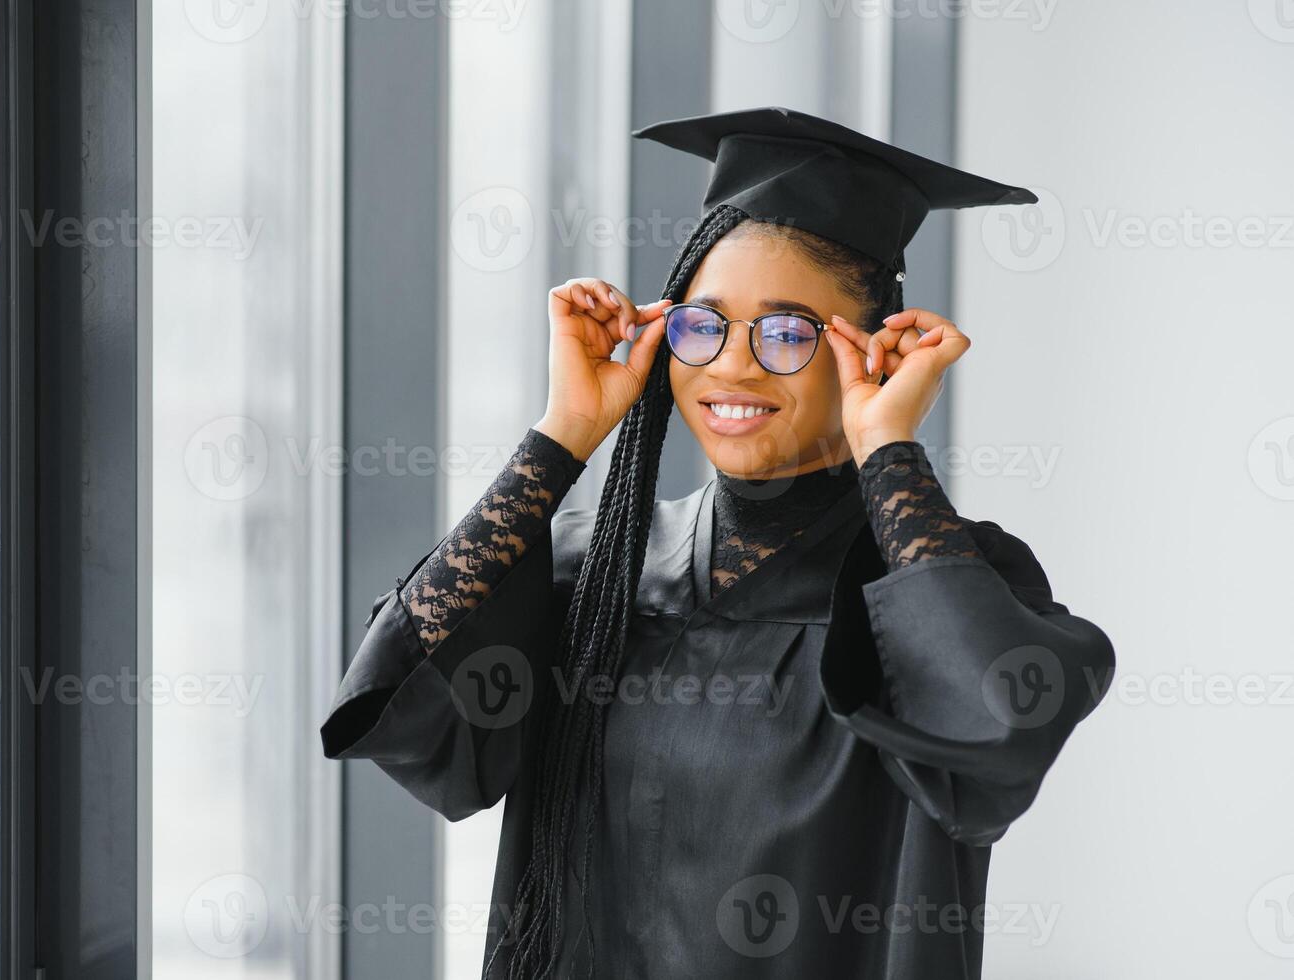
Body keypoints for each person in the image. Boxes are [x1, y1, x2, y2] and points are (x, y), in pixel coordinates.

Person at [321, 107, 1116, 979]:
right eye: (703, 325)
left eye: (786, 333)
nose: (732, 367)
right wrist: (562, 437)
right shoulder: (595, 567)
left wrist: (889, 449)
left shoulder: (949, 581)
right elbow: (402, 711)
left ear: (873, 352)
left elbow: (999, 732)